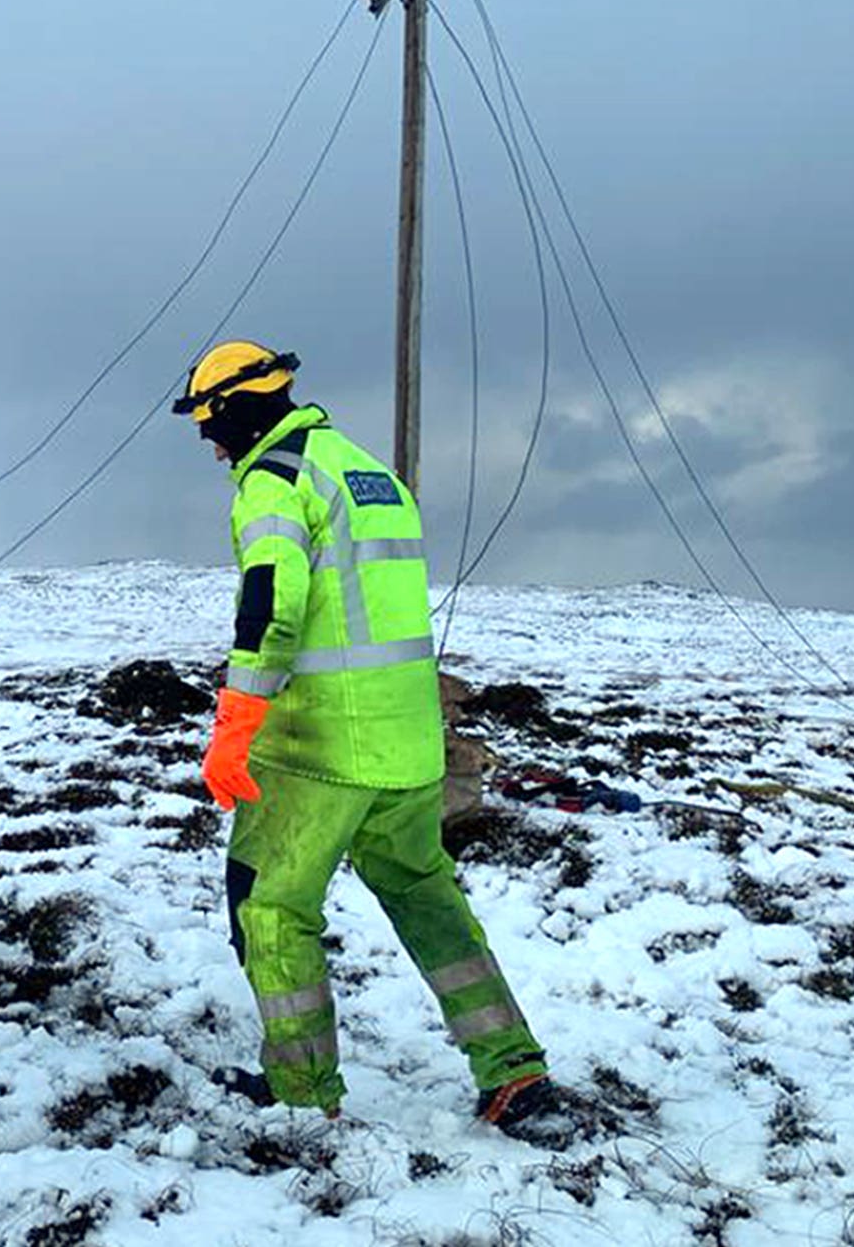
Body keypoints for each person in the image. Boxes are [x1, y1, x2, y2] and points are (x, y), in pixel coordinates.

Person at [174, 339, 570, 1145]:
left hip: (319, 750)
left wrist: (234, 727)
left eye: (209, 422)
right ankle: (512, 1071)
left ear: (240, 409)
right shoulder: (365, 472)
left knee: (271, 908)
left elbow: (270, 609)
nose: (208, 443)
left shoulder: (274, 481)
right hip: (409, 746)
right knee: (427, 899)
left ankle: (299, 1090)